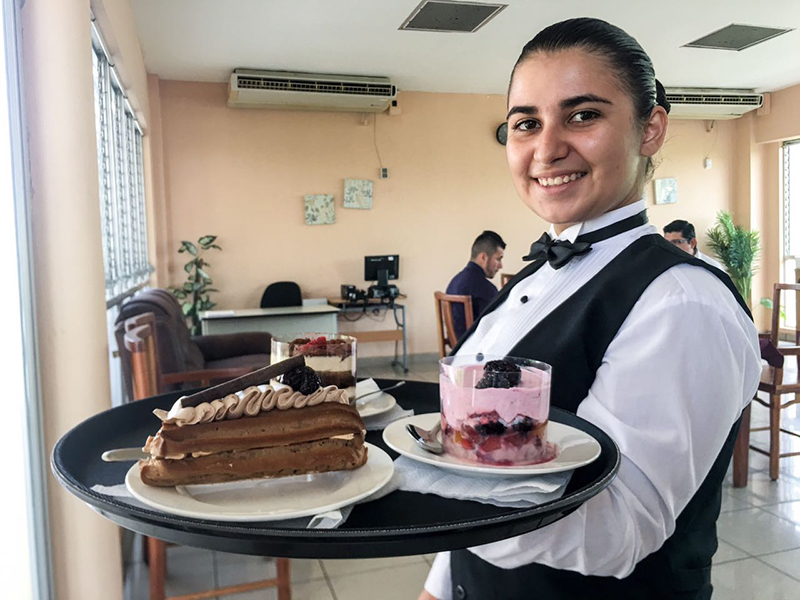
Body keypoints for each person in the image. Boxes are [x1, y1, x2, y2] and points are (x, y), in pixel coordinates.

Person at [420, 17, 760, 600]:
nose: (547, 149)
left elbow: (614, 530)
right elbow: (469, 448)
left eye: (584, 115)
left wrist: (403, 483)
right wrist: (439, 583)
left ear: (650, 128)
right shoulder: (532, 278)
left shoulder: (682, 301)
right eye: (526, 124)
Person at [445, 230, 505, 339]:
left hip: (457, 349)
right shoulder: (485, 288)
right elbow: (496, 326)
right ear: (483, 257)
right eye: (498, 259)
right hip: (474, 349)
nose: (501, 266)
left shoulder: (455, 281)